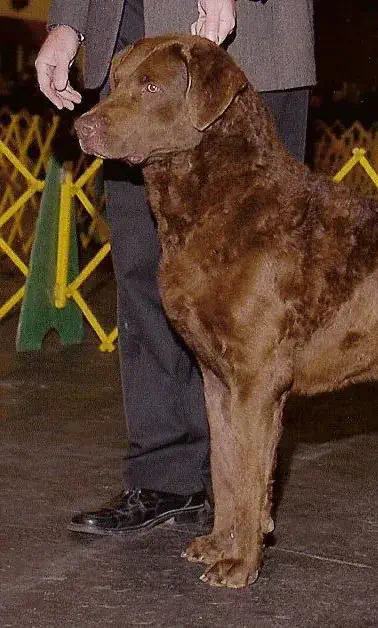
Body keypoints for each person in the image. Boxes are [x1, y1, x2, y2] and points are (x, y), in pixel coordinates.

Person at [35, 0, 315, 535]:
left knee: (256, 297)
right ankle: (163, 476)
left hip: (252, 44)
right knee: (146, 277)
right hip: (131, 34)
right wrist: (69, 21)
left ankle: (240, 499)